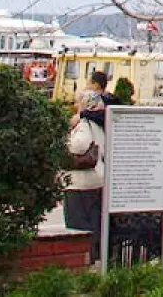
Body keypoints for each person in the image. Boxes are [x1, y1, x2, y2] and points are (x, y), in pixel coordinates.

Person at [65, 89, 108, 262]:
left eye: (77, 101)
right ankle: (95, 257)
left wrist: (64, 143)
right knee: (94, 224)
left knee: (78, 227)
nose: (75, 105)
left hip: (80, 184)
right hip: (98, 180)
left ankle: (83, 260)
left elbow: (80, 145)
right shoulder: (100, 124)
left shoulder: (84, 124)